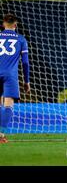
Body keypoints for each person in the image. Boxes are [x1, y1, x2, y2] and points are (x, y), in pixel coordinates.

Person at [0, 13, 30, 143]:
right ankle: (1, 135)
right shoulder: (21, 39)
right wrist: (26, 81)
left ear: (3, 24)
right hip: (10, 76)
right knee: (8, 105)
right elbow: (25, 63)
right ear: (15, 25)